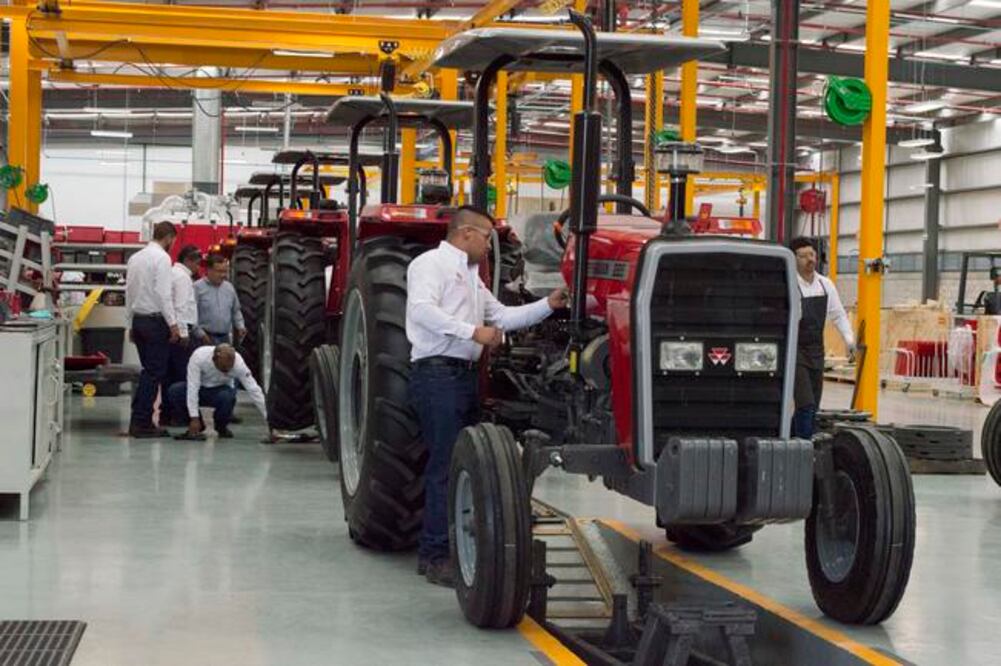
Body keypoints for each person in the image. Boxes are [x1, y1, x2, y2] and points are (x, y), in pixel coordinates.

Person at [405, 205, 568, 587]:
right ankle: (434, 555)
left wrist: (549, 305)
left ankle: (453, 548)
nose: (488, 246)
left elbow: (503, 317)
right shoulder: (430, 265)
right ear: (465, 234)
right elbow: (421, 311)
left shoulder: (473, 277)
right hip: (437, 374)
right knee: (445, 466)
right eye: (486, 237)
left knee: (462, 463)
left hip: (462, 377)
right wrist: (471, 332)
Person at [789, 236, 855, 439]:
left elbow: (838, 314)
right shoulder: (790, 284)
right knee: (805, 402)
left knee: (813, 406)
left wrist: (849, 339)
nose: (810, 259)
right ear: (794, 259)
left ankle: (790, 438)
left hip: (817, 351)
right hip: (795, 352)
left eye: (812, 255)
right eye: (804, 256)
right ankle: (804, 446)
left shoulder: (825, 285)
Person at [125, 221, 180, 438]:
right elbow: (164, 294)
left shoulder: (135, 258)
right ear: (168, 238)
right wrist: (173, 324)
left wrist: (129, 324)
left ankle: (137, 420)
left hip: (138, 321)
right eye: (173, 241)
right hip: (155, 322)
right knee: (154, 373)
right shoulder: (162, 258)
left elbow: (129, 292)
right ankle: (142, 423)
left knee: (148, 372)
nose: (172, 245)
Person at [167, 343, 275, 441]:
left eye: (229, 368)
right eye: (223, 368)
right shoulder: (199, 357)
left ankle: (221, 427)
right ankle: (198, 425)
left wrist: (270, 422)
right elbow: (192, 387)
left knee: (228, 397)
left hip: (220, 392)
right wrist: (194, 417)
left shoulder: (239, 364)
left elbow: (254, 390)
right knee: (175, 391)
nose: (227, 370)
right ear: (214, 359)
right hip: (200, 389)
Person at [163, 245, 201, 426]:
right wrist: (184, 332)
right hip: (182, 333)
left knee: (169, 375)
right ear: (188, 260)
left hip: (172, 331)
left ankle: (166, 414)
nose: (198, 267)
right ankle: (180, 416)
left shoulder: (171, 273)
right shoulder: (183, 277)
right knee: (183, 376)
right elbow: (181, 306)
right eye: (197, 263)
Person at [194, 254, 245, 346]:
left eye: (225, 271)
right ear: (209, 270)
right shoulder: (197, 288)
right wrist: (200, 334)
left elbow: (236, 310)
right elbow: (191, 313)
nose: (223, 275)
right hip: (204, 338)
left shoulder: (229, 288)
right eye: (219, 271)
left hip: (225, 339)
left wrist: (240, 326)